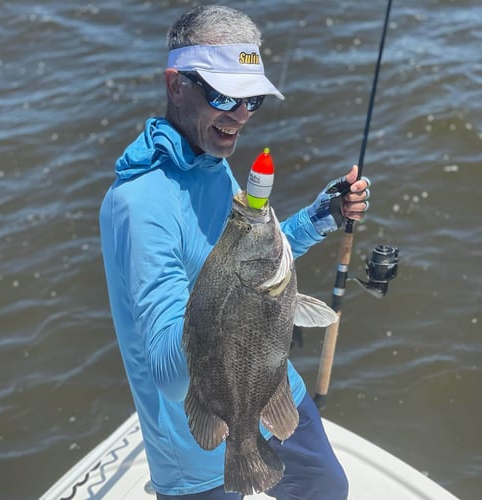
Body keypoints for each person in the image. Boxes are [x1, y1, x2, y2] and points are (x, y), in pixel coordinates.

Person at [99, 5, 369, 499]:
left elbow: (254, 260)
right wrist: (235, 298)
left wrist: (318, 218)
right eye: (224, 94)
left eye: (252, 100)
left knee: (326, 488)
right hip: (198, 441)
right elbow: (167, 372)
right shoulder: (139, 206)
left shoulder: (209, 160)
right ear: (175, 84)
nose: (240, 114)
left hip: (269, 382)